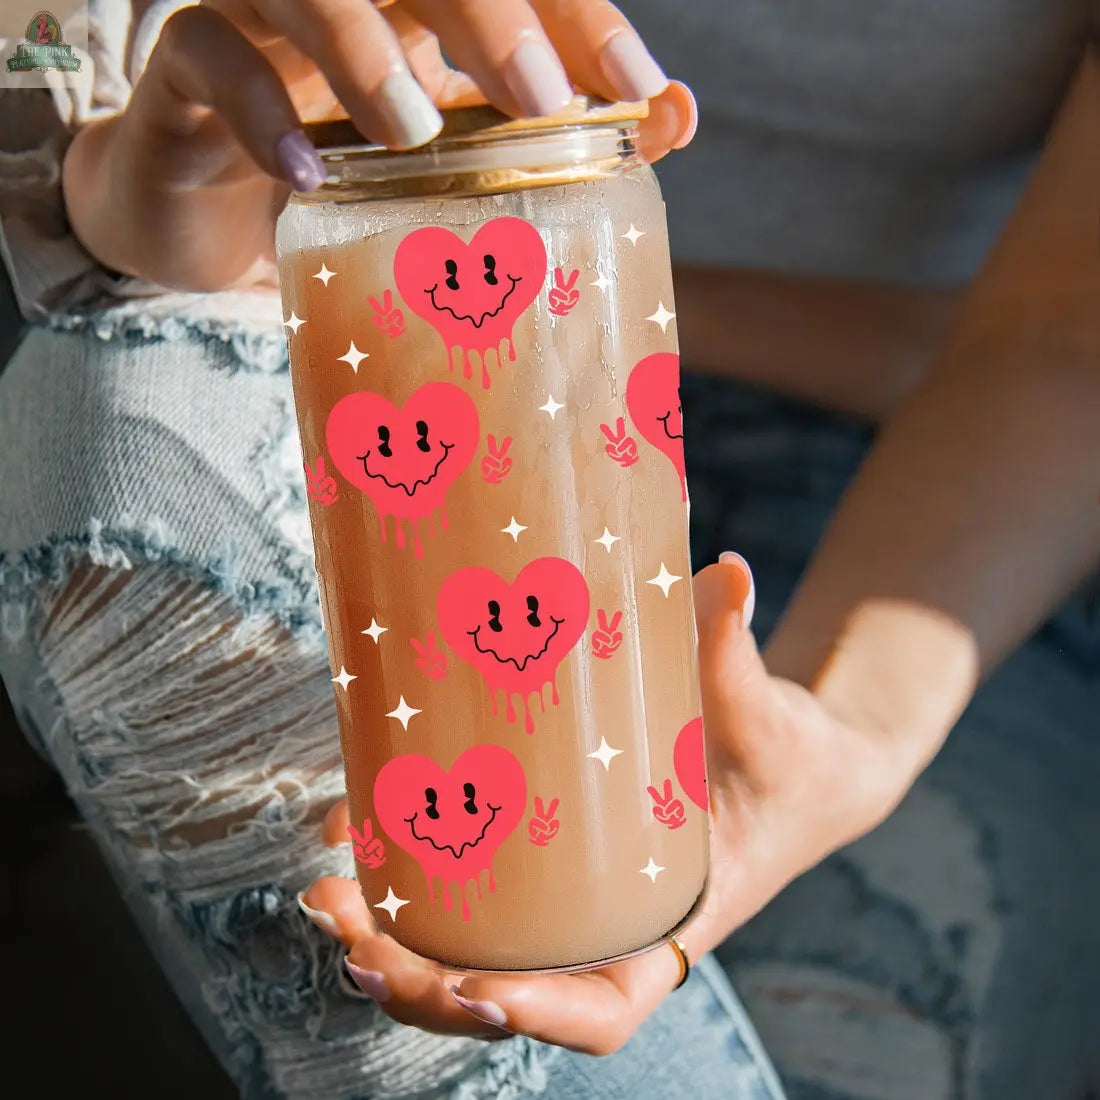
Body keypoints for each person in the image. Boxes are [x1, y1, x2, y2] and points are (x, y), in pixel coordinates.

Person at [0, 1, 1096, 1098]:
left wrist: (844, 723)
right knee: (104, 408)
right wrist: (114, 189)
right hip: (363, 375)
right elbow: (41, 51)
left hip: (916, 508)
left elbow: (1062, 339)